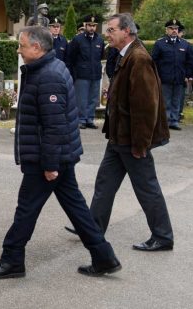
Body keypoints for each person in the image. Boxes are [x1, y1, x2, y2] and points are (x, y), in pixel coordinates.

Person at [0, 26, 120, 279]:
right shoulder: (48, 68)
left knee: (26, 209)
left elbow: (54, 125)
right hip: (57, 155)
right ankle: (104, 256)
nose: (19, 50)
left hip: (47, 157)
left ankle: (12, 260)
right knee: (76, 208)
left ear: (37, 47)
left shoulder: (49, 76)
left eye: (22, 45)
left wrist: (51, 164)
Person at [69, 13, 173, 251]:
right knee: (105, 183)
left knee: (147, 188)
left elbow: (146, 108)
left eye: (111, 30)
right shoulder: (125, 54)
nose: (107, 34)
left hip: (131, 140)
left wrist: (141, 144)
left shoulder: (139, 58)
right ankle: (92, 229)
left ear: (127, 31)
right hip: (118, 137)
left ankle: (163, 236)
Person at [151, 19, 193, 130]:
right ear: (166, 30)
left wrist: (188, 75)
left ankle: (174, 121)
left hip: (180, 78)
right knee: (165, 101)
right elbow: (154, 61)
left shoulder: (185, 44)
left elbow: (189, 62)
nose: (174, 30)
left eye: (176, 29)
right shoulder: (160, 44)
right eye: (171, 28)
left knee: (177, 100)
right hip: (164, 78)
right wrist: (156, 76)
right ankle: (165, 121)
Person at [66, 15, 104, 129]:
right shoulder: (78, 39)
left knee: (93, 99)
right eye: (89, 25)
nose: (92, 28)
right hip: (81, 74)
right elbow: (70, 57)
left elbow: (101, 56)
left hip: (95, 74)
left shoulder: (100, 40)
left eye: (94, 25)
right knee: (81, 99)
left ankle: (90, 119)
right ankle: (81, 120)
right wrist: (73, 73)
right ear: (85, 25)